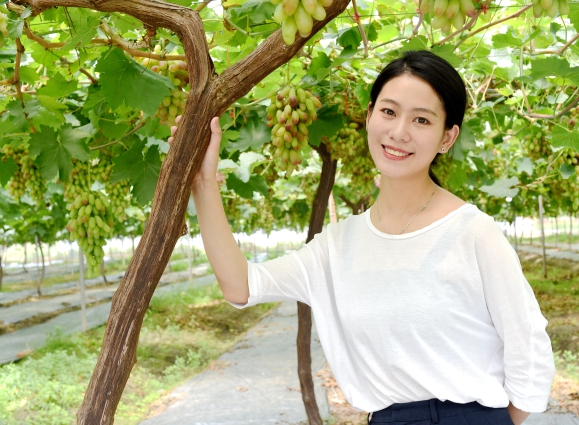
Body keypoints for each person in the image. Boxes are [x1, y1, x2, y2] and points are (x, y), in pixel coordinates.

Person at [169, 50, 555, 425]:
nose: (399, 132)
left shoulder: (473, 232)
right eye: (388, 112)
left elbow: (529, 346)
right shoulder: (338, 245)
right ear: (369, 116)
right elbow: (241, 285)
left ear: (447, 138)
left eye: (422, 120)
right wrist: (203, 183)